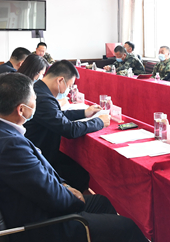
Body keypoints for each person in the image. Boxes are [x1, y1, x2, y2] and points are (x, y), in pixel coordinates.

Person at [0, 72, 148, 242]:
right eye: (34, 99)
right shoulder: (10, 146)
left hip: (25, 205)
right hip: (39, 225)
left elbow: (39, 178)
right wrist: (73, 199)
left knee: (101, 202)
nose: (36, 102)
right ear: (21, 109)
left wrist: (64, 185)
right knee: (127, 227)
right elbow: (53, 198)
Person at [25, 60, 110, 192]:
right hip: (40, 157)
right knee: (79, 175)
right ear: (60, 80)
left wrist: (84, 113)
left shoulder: (40, 89)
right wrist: (99, 122)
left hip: (41, 149)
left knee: (78, 171)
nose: (69, 90)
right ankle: (76, 200)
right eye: (69, 86)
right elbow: (69, 129)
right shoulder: (43, 98)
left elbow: (57, 116)